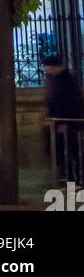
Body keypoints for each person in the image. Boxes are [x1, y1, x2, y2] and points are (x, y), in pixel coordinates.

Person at [44, 53, 84, 183]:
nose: (47, 71)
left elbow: (70, 103)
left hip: (70, 123)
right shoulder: (55, 79)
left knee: (73, 152)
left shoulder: (66, 81)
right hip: (60, 122)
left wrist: (64, 122)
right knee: (62, 151)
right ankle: (67, 179)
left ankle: (75, 180)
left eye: (49, 68)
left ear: (56, 67)